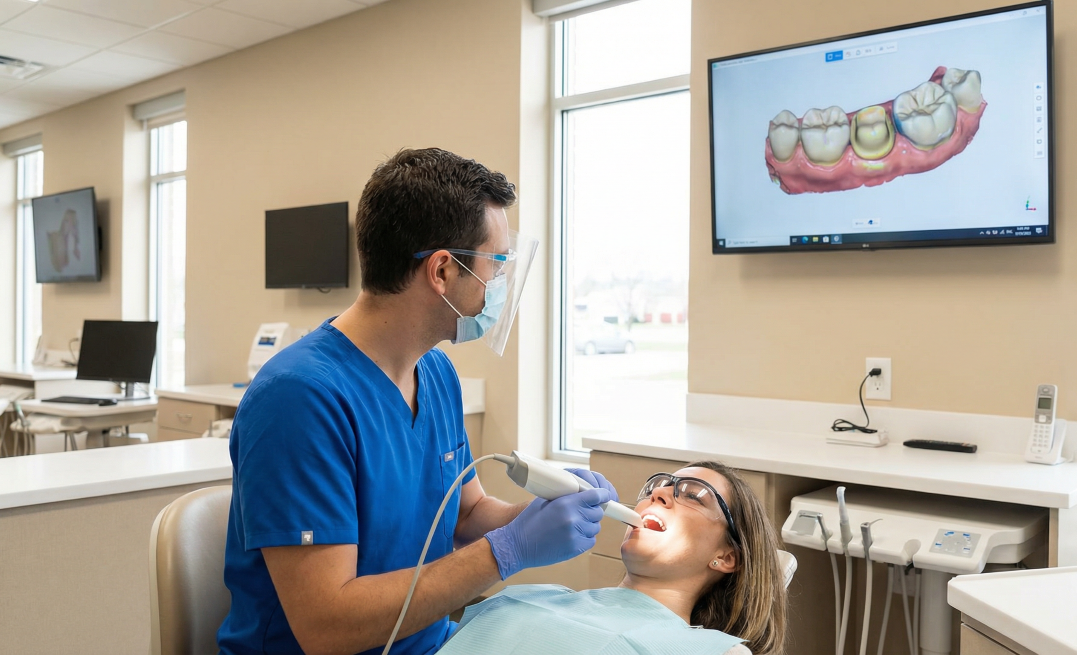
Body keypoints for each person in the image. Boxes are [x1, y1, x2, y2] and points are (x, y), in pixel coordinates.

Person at [217, 147, 619, 655]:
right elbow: (327, 626)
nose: (498, 285)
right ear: (442, 272)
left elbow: (467, 514)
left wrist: (540, 515)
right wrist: (509, 551)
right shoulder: (299, 398)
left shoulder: (435, 372)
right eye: (496, 265)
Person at [437, 461, 789, 655]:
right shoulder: (537, 596)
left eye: (694, 496)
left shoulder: (714, 652)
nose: (661, 493)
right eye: (655, 488)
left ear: (726, 557)